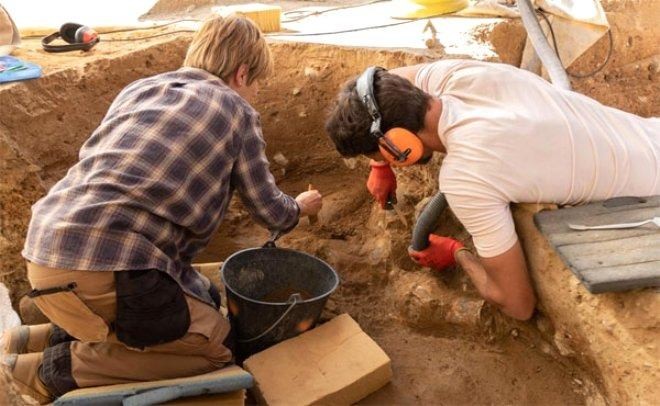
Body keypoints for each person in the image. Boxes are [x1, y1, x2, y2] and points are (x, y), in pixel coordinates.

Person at [1, 15, 322, 403]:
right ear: (241, 74)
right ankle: (39, 373)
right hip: (104, 269)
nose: (254, 94)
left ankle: (31, 338)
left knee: (202, 294)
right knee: (215, 346)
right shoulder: (236, 111)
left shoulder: (140, 88)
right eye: (256, 84)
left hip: (44, 249)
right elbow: (270, 211)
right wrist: (299, 207)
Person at [325, 60, 659, 321]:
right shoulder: (458, 75)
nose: (389, 162)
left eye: (383, 155)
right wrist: (380, 165)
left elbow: (518, 304)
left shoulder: (466, 177)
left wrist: (456, 252)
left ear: (402, 145)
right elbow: (380, 85)